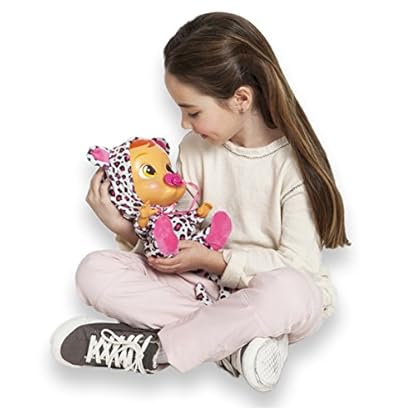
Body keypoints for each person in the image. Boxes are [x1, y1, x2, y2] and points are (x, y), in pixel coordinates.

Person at [50, 11, 350, 392]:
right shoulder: (195, 149)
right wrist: (125, 229)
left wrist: (215, 261)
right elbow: (177, 236)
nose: (183, 124)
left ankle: (159, 350)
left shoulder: (292, 168)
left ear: (241, 99)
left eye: (192, 111)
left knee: (293, 292)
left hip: (270, 294)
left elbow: (299, 268)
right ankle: (233, 347)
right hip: (200, 288)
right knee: (94, 271)